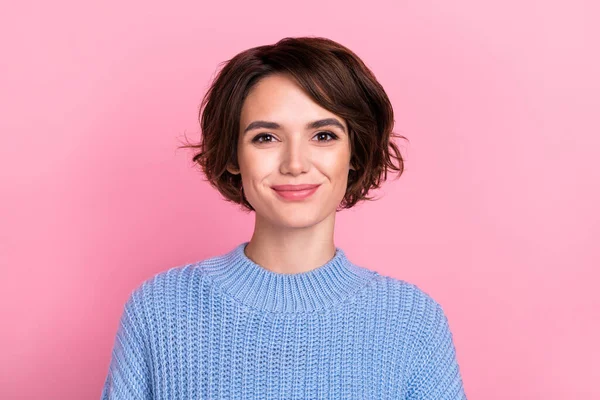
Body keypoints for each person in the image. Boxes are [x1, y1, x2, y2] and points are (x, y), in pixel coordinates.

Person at [101, 36, 467, 399]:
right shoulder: (159, 311)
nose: (295, 164)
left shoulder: (412, 322)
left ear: (355, 152)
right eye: (265, 138)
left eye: (323, 135)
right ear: (232, 156)